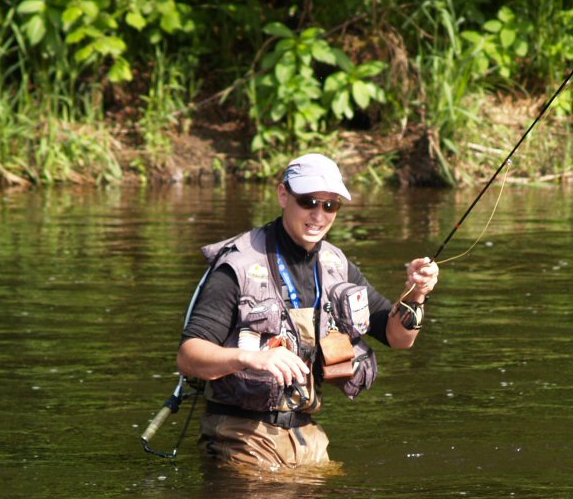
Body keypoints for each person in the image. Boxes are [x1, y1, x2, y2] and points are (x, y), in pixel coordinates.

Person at [177, 152, 440, 470]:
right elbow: (189, 355)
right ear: (283, 194)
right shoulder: (238, 265)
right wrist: (253, 358)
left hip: (307, 437)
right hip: (239, 436)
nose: (319, 214)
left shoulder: (336, 265)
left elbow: (398, 337)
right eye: (308, 201)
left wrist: (417, 293)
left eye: (330, 205)